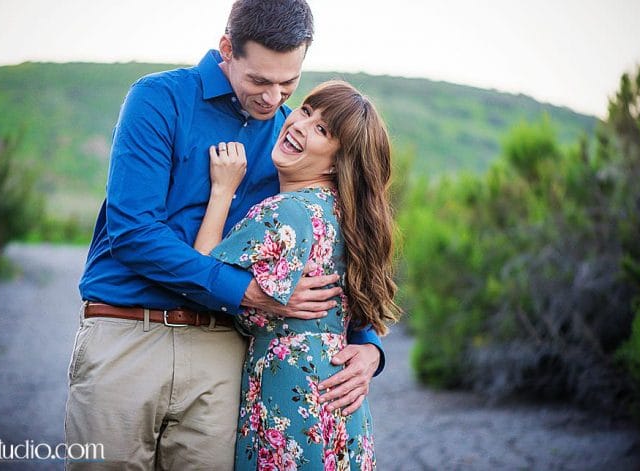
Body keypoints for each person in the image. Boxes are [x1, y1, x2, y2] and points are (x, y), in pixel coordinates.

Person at [67, 1, 385, 468]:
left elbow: (337, 240)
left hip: (223, 353)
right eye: (259, 81)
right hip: (127, 333)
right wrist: (250, 292)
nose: (274, 99)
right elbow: (133, 233)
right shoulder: (160, 99)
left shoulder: (289, 141)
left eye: (288, 83)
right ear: (226, 50)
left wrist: (368, 346)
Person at [196, 80, 401, 470]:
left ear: (336, 162)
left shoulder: (285, 213)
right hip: (341, 402)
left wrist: (222, 190)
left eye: (322, 130)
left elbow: (203, 271)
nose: (300, 125)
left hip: (288, 397)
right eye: (306, 111)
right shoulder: (348, 219)